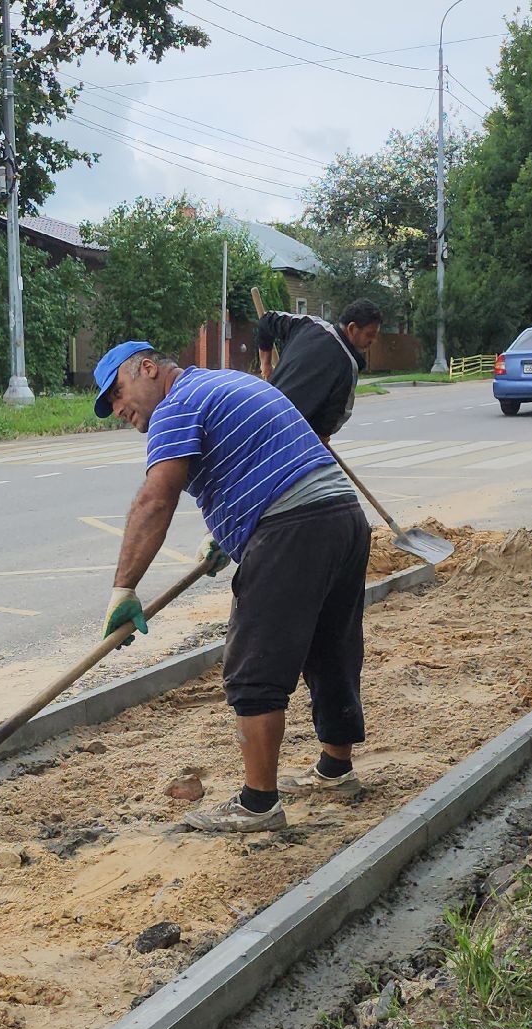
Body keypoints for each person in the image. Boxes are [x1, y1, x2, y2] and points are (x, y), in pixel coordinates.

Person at [93, 340, 372, 833]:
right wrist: (228, 533)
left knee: (253, 666)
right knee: (329, 649)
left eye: (117, 392)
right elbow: (257, 457)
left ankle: (258, 805)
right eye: (110, 405)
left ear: (149, 369)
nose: (117, 409)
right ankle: (335, 769)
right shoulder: (223, 381)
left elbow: (155, 501)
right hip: (341, 516)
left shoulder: (175, 406)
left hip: (291, 525)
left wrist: (124, 588)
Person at [255, 299, 382, 441]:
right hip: (291, 438)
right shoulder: (347, 366)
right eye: (370, 335)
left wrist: (265, 365)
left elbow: (266, 320)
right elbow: (335, 417)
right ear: (352, 328)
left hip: (261, 415)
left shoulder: (309, 324)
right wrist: (322, 437)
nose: (373, 341)